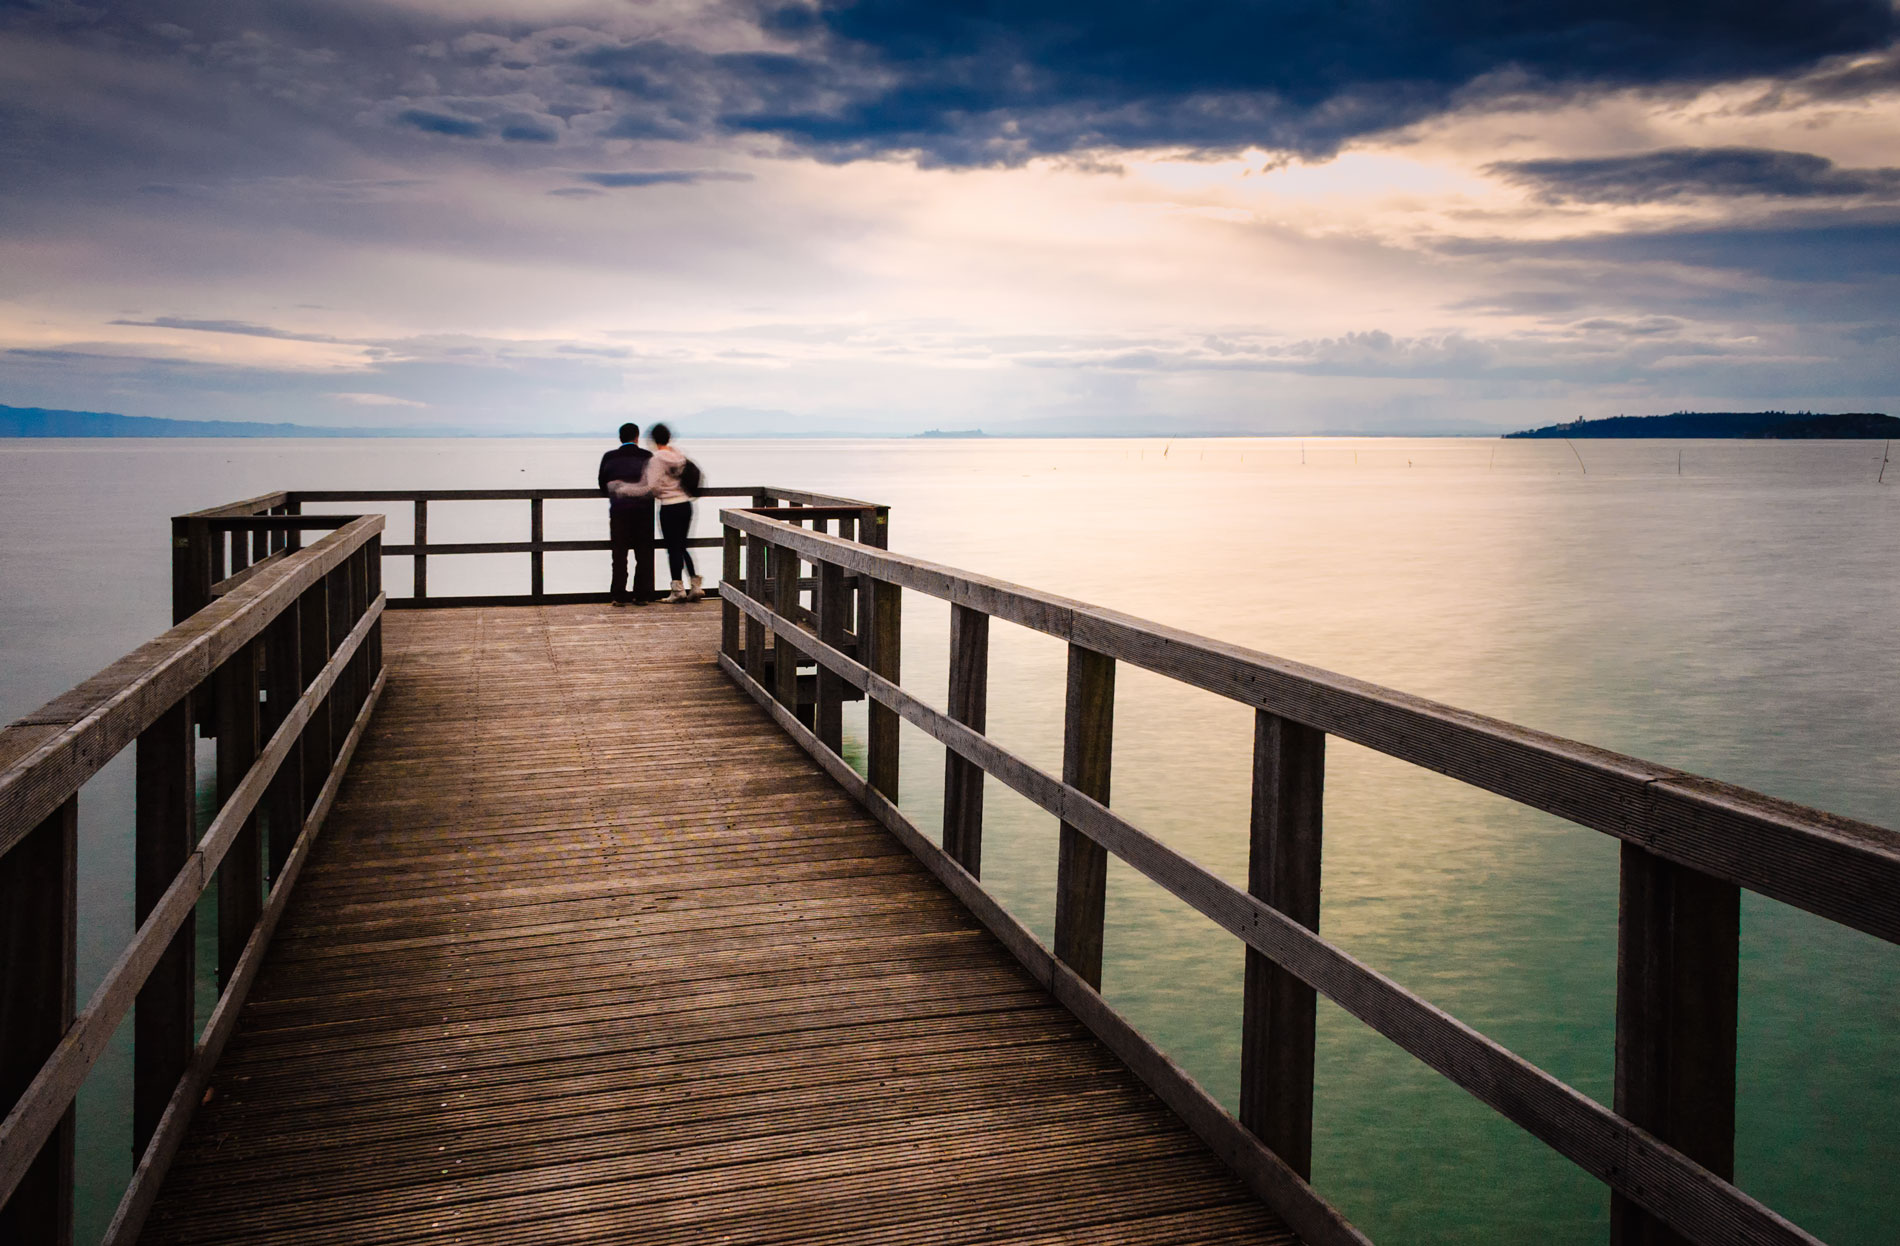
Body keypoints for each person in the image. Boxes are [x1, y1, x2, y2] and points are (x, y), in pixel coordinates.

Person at [644, 423, 703, 603]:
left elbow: (652, 485)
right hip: (686, 505)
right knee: (682, 546)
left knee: (673, 548)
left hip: (669, 506)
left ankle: (678, 590)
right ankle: (695, 586)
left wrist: (658, 492)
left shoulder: (657, 459)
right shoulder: (679, 455)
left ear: (653, 440)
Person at [598, 422, 653, 606]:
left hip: (619, 511)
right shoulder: (647, 456)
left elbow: (602, 484)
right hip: (643, 512)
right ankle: (641, 595)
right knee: (643, 554)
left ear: (620, 438)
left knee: (619, 554)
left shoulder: (609, 457)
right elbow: (653, 483)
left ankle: (619, 595)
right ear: (637, 437)